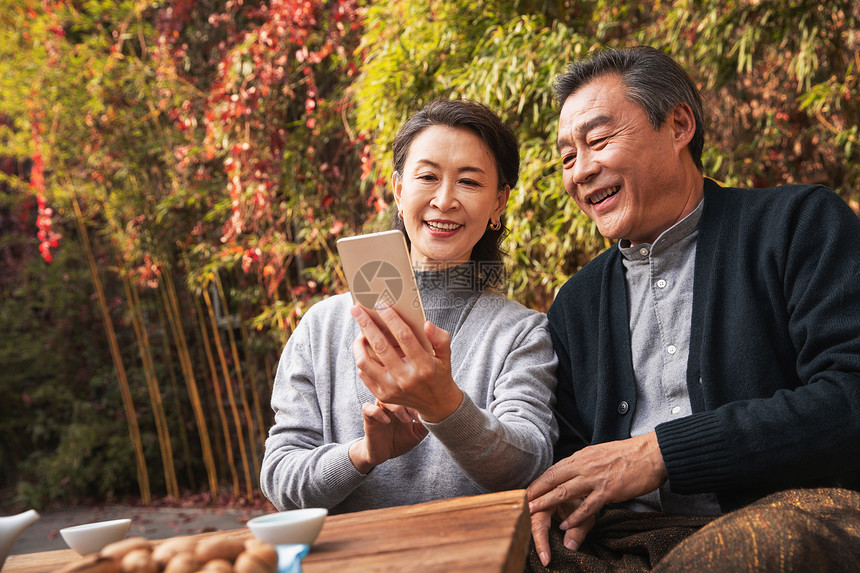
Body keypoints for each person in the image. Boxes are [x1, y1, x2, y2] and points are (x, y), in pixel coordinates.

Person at [527, 45, 860, 571]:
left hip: (794, 515)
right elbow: (568, 456)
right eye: (568, 157)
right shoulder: (575, 304)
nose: (580, 171)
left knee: (746, 549)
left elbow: (850, 398)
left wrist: (660, 453)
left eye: (597, 140)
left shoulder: (798, 225)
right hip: (627, 541)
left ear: (679, 125)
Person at [261, 99, 558, 514]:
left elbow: (529, 464)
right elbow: (280, 479)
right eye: (427, 177)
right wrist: (363, 454)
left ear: (499, 202)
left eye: (470, 183)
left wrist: (445, 406)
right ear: (399, 191)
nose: (445, 199)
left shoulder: (522, 333)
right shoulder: (322, 327)